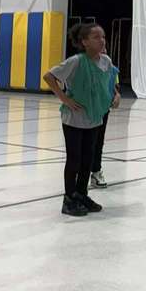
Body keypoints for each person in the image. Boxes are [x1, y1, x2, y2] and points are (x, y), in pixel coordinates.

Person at [43, 23, 119, 217]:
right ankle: (68, 199)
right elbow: (49, 76)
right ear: (84, 42)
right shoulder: (75, 61)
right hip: (74, 119)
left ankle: (81, 194)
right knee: (74, 159)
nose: (102, 40)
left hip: (94, 117)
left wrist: (115, 95)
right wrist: (64, 98)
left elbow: (111, 82)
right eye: (96, 37)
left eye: (103, 36)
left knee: (88, 159)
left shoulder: (106, 61)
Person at [90, 46, 120, 189]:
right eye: (100, 50)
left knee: (98, 141)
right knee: (85, 143)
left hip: (103, 109)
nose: (104, 52)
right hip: (88, 110)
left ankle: (96, 172)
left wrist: (117, 95)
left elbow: (113, 86)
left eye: (105, 49)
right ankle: (80, 174)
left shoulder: (111, 68)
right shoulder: (85, 66)